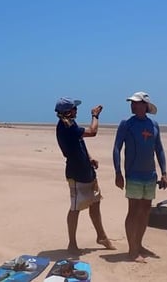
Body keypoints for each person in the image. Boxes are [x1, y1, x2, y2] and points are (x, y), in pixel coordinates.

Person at [112, 91, 167, 263]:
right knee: (133, 211)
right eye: (132, 102)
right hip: (133, 175)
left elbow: (159, 149)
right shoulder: (126, 124)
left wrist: (164, 173)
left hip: (150, 175)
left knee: (145, 211)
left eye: (136, 103)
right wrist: (118, 173)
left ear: (145, 105)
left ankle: (139, 244)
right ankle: (132, 250)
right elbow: (116, 148)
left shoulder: (154, 125)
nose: (132, 105)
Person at [54, 97, 115, 254]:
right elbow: (92, 132)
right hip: (76, 173)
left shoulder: (71, 124)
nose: (76, 110)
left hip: (87, 171)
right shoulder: (66, 127)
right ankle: (72, 243)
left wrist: (89, 158)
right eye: (74, 108)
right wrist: (95, 116)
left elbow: (80, 142)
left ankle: (101, 236)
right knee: (75, 208)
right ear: (68, 111)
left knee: (95, 203)